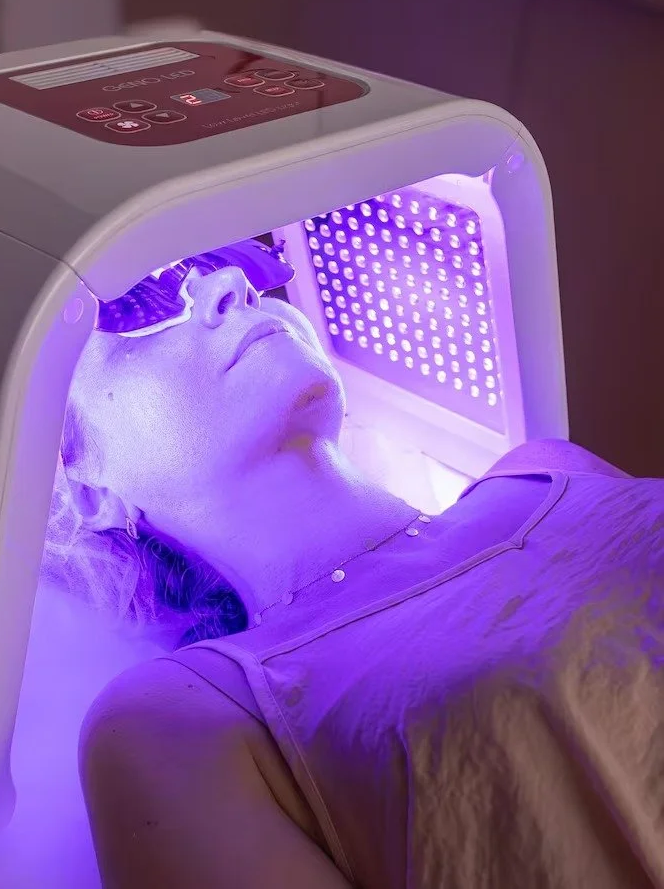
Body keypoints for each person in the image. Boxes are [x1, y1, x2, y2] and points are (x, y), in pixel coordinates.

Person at [52, 248, 664, 889]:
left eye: (234, 256)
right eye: (133, 300)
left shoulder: (547, 468)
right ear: (85, 488)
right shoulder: (178, 715)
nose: (233, 285)